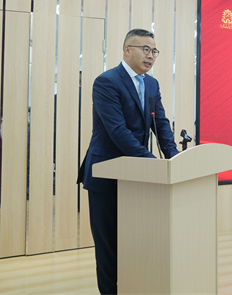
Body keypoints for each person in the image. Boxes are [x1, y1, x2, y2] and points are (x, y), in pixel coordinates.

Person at [77, 28, 179, 294]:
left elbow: (160, 124)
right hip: (106, 175)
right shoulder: (107, 82)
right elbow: (118, 131)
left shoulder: (151, 84)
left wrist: (175, 158)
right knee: (108, 246)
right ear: (127, 50)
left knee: (135, 241)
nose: (150, 56)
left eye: (154, 51)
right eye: (145, 49)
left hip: (137, 176)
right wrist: (152, 162)